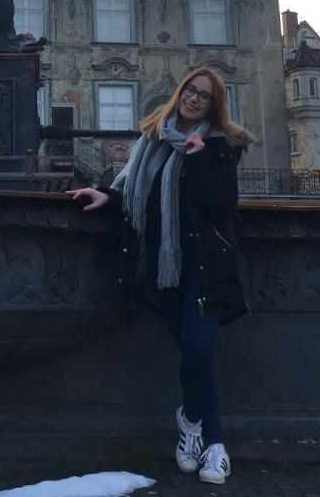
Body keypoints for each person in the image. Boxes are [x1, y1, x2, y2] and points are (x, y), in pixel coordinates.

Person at [68, 67, 251, 485]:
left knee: (198, 350)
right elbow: (134, 191)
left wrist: (198, 155)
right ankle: (206, 439)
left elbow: (221, 203)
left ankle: (200, 430)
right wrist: (105, 196)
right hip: (162, 271)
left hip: (204, 270)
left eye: (204, 96)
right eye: (190, 90)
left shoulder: (220, 146)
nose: (193, 98)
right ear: (180, 92)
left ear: (213, 105)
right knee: (192, 357)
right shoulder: (151, 139)